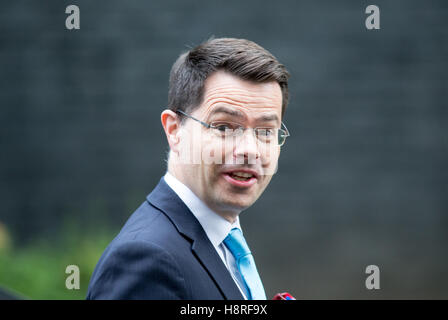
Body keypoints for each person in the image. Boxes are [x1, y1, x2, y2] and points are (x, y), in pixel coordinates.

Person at [86, 38, 291, 300]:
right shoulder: (146, 260)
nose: (250, 150)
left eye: (265, 131)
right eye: (224, 127)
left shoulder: (224, 240)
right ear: (174, 130)